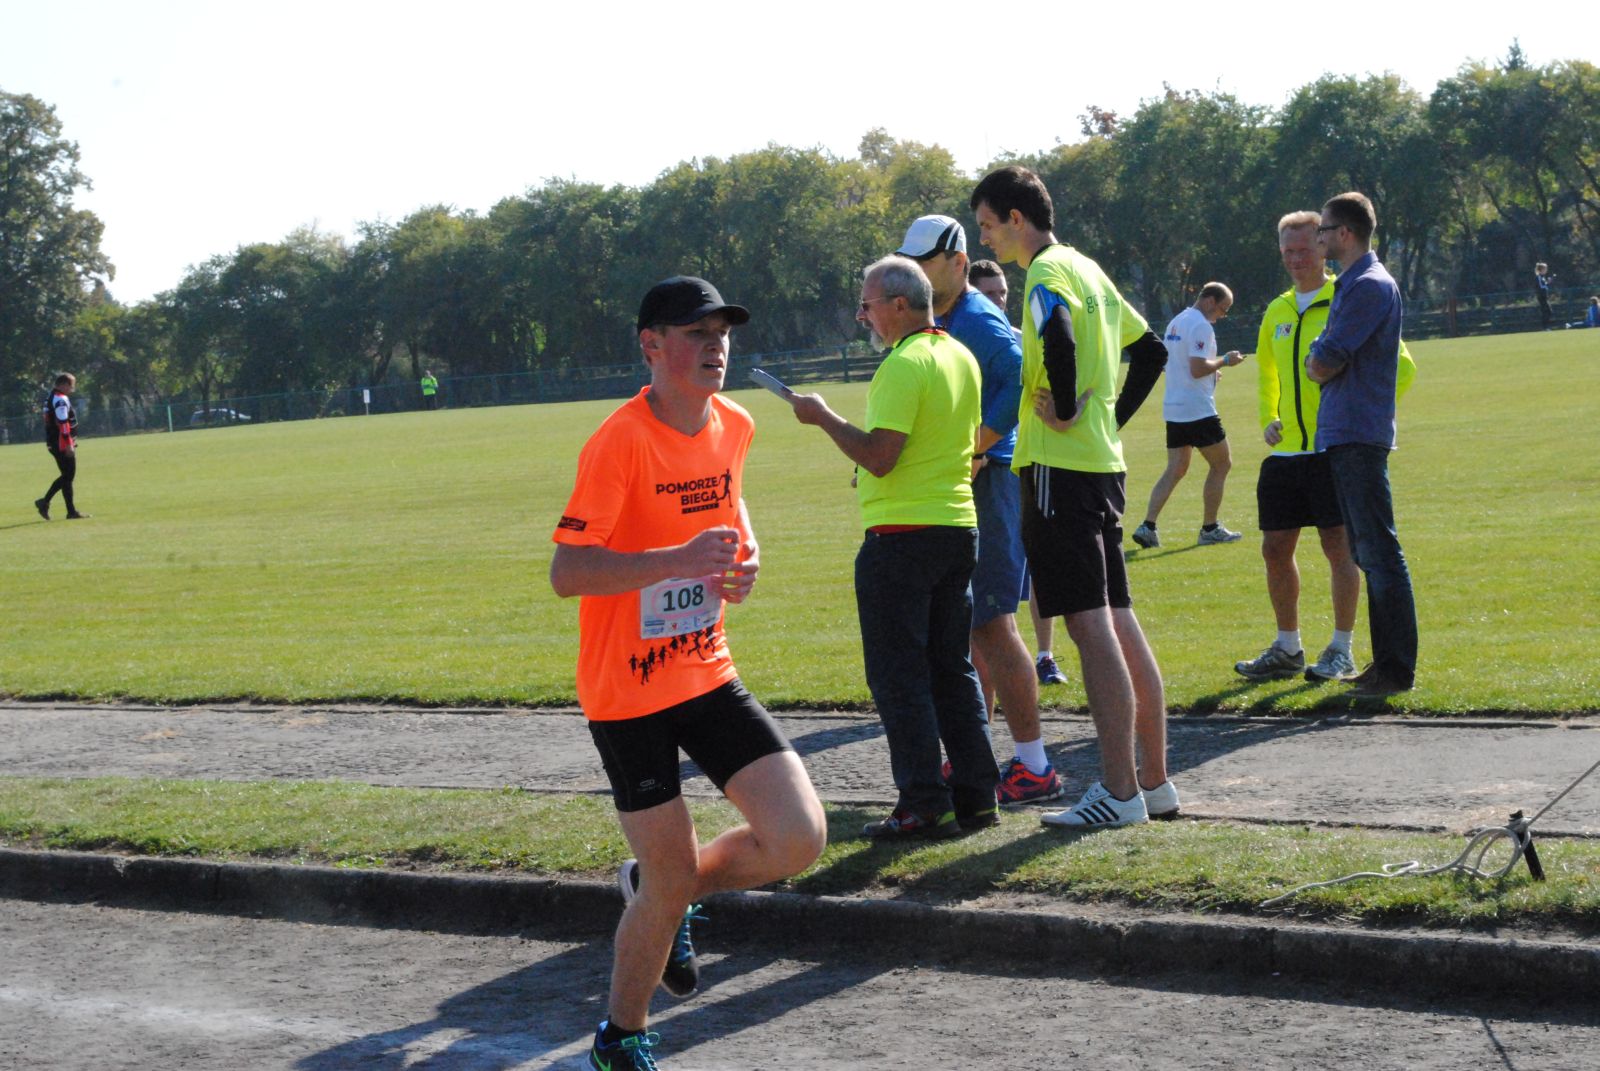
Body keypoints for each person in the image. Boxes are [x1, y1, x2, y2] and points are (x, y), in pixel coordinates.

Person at [550, 276, 826, 1071]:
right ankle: (621, 1036)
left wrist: (747, 551)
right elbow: (569, 571)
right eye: (697, 333)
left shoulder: (735, 424)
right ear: (651, 345)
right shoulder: (620, 441)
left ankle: (662, 890)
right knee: (670, 877)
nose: (716, 347)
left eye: (723, 333)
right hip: (627, 693)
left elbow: (730, 507)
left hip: (705, 671)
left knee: (798, 836)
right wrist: (674, 559)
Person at [970, 165, 1176, 828]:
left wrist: (1062, 409)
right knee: (1118, 618)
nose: (985, 238)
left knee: (1089, 627)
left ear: (1017, 218)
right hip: (1102, 467)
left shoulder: (1046, 274)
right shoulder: (1090, 268)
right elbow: (1151, 352)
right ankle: (1154, 784)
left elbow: (1056, 332)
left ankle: (1118, 793)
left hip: (1056, 471)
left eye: (988, 225)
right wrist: (1104, 421)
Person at [789, 256, 1000, 838]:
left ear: (900, 305)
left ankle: (922, 802)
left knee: (898, 677)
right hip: (957, 527)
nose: (864, 316)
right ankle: (977, 794)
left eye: (868, 305)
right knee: (951, 669)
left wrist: (822, 417)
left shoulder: (902, 365)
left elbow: (881, 457)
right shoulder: (958, 355)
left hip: (901, 537)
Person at [898, 217, 1059, 805]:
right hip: (969, 483)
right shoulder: (941, 319)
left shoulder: (977, 319)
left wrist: (978, 444)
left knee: (992, 622)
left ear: (959, 262)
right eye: (911, 262)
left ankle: (1035, 766)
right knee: (970, 625)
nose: (918, 272)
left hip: (992, 481)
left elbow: (1018, 377)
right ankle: (975, 758)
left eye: (927, 262)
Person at [1235, 211, 1416, 683]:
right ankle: (1287, 646)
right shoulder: (1277, 310)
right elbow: (1267, 373)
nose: (1296, 259)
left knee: (1340, 550)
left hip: (1334, 447)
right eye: (1287, 251)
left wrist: (1357, 413)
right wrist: (1269, 418)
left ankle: (1341, 648)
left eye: (1304, 249)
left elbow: (1402, 367)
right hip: (1286, 452)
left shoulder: (1347, 296)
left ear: (1323, 245)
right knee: (1275, 548)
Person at [1306, 192, 1418, 697]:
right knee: (1368, 553)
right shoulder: (1352, 284)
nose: (1319, 238)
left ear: (1345, 233)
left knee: (1379, 552)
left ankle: (1395, 671)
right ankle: (1384, 666)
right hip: (1345, 432)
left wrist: (1318, 360)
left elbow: (1324, 360)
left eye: (1324, 229)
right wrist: (1320, 359)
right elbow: (1325, 359)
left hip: (1358, 433)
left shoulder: (1369, 286)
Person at [970, 257, 1068, 687]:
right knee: (991, 585)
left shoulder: (1020, 339)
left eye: (1003, 293)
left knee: (1038, 563)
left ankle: (1045, 656)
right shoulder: (970, 336)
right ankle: (986, 675)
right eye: (988, 294)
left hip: (1029, 464)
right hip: (989, 465)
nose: (998, 301)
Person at [1130, 283, 1247, 549]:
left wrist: (1210, 374)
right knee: (1222, 464)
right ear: (1210, 301)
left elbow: (1174, 364)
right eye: (1223, 308)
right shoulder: (1201, 325)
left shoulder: (1176, 321)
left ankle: (1147, 526)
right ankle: (1210, 528)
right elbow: (1196, 368)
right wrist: (1225, 360)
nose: (1223, 315)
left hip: (1174, 408)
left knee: (1176, 469)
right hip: (1198, 410)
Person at [35, 372, 87, 521]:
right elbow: (63, 423)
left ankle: (71, 511)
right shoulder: (60, 399)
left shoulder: (51, 396)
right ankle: (44, 502)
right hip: (61, 443)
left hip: (54, 442)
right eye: (71, 386)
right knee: (68, 475)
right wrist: (68, 444)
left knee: (67, 476)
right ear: (63, 385)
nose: (72, 389)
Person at [1534, 263, 1554, 330]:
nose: (1546, 270)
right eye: (1545, 268)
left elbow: (1544, 286)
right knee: (1547, 311)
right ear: (1542, 269)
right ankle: (1545, 327)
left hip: (1544, 297)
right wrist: (1547, 283)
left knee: (1548, 312)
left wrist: (1547, 282)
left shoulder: (1542, 277)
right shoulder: (1538, 277)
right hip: (1541, 297)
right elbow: (1541, 286)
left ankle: (1545, 327)